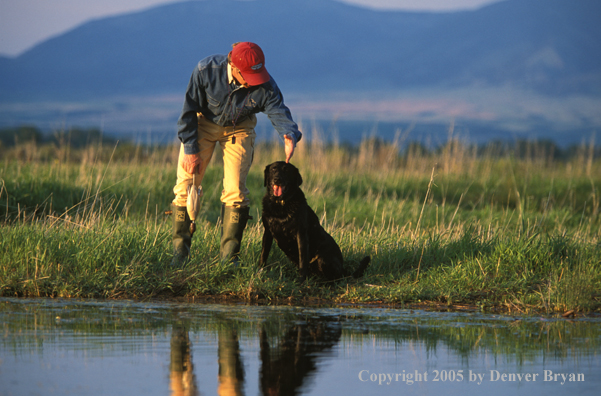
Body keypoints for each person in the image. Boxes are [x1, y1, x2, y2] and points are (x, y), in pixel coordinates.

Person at [171, 42, 302, 265]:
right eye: (251, 75)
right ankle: (179, 257)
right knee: (185, 188)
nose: (256, 81)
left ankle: (228, 261)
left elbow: (278, 109)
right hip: (202, 124)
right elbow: (188, 113)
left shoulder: (265, 83)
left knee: (235, 191)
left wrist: (288, 134)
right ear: (234, 67)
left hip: (239, 128)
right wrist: (191, 150)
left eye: (258, 74)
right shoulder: (205, 71)